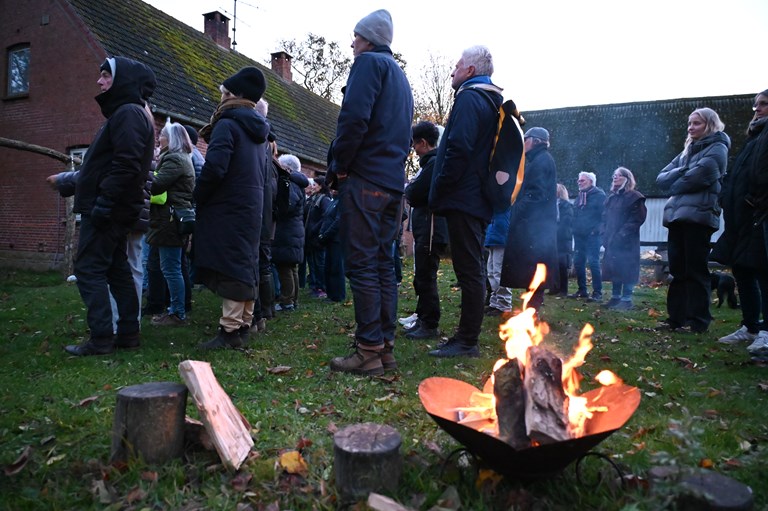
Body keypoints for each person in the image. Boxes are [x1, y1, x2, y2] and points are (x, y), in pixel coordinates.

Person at [325, 9, 413, 375]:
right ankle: (384, 347)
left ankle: (368, 350)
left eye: (357, 37)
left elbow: (354, 119)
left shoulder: (368, 64)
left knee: (362, 264)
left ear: (370, 40)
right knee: (381, 264)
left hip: (365, 180)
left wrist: (340, 165)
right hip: (392, 183)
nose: (352, 43)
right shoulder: (400, 77)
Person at [57, 57, 156, 356]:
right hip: (116, 208)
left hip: (110, 209)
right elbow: (107, 166)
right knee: (116, 270)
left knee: (88, 269)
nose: (99, 82)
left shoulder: (127, 114)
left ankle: (101, 338)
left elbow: (126, 165)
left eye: (105, 76)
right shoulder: (127, 113)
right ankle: (127, 333)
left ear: (123, 79)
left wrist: (104, 203)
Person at [428, 45, 503, 358]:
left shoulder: (471, 98)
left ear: (470, 70)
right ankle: (465, 337)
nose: (452, 71)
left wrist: (441, 187)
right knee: (471, 268)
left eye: (457, 66)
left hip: (464, 197)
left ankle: (467, 341)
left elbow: (458, 148)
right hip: (474, 197)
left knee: (470, 270)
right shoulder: (488, 100)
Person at [194, 66, 269, 349]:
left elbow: (215, 168)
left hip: (227, 206)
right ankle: (242, 325)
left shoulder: (227, 124)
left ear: (233, 95)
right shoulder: (258, 131)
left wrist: (199, 194)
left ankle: (229, 331)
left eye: (224, 93)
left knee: (231, 266)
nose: (221, 98)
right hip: (250, 206)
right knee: (245, 263)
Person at [656, 107, 730, 334]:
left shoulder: (718, 148)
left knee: (696, 271)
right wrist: (685, 170)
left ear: (710, 124)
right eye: (689, 123)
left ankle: (698, 321)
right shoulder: (686, 152)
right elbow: (661, 178)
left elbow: (698, 178)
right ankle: (675, 319)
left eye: (696, 123)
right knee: (677, 271)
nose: (690, 127)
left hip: (699, 218)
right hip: (677, 217)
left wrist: (678, 178)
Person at [711, 90, 768, 349]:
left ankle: (766, 331)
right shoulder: (755, 136)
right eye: (756, 105)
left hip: (758, 214)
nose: (757, 109)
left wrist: (759, 201)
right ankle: (750, 326)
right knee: (742, 269)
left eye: (763, 104)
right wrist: (727, 196)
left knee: (764, 271)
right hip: (740, 218)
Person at [500, 127, 558, 311]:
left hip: (536, 229)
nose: (523, 142)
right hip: (535, 227)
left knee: (535, 270)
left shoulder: (542, 161)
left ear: (536, 141)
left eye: (525, 139)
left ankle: (532, 312)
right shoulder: (538, 160)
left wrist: (515, 211)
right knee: (532, 270)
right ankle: (531, 311)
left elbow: (535, 195)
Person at [146, 122, 195, 326]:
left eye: (162, 135)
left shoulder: (174, 159)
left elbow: (156, 185)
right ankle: (175, 309)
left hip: (169, 220)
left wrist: (143, 169)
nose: (159, 138)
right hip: (171, 218)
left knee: (171, 269)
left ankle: (177, 313)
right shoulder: (181, 157)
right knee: (172, 266)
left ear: (171, 139)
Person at [403, 121, 449, 340]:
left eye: (414, 144)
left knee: (426, 276)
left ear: (423, 142)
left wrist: (411, 189)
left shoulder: (433, 164)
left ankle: (430, 324)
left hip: (431, 229)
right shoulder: (431, 164)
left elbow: (414, 193)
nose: (413, 148)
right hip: (427, 227)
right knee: (421, 276)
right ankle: (422, 319)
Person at [601, 167, 647, 310]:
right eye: (614, 175)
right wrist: (604, 234)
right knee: (615, 269)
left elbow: (637, 219)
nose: (615, 177)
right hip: (612, 241)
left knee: (627, 269)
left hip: (627, 242)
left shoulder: (635, 197)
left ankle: (626, 300)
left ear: (627, 178)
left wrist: (622, 235)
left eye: (619, 175)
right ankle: (615, 298)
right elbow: (604, 218)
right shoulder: (611, 198)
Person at [273, 154, 309, 311]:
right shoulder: (298, 183)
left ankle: (287, 301)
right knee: (291, 268)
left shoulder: (291, 184)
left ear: (287, 168)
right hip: (293, 230)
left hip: (287, 231)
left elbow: (287, 206)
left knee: (285, 268)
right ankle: (293, 300)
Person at [569, 171, 606, 302]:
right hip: (579, 235)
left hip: (593, 236)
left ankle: (597, 292)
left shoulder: (599, 196)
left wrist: (596, 230)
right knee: (578, 262)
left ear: (590, 181)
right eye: (579, 180)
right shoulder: (580, 197)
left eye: (582, 180)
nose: (579, 182)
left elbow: (604, 216)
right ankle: (582, 290)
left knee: (593, 262)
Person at [304, 176, 332, 299]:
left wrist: (315, 229)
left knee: (319, 263)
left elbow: (325, 217)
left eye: (315, 185)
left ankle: (322, 287)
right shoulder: (312, 198)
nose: (312, 187)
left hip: (317, 236)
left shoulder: (324, 200)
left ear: (321, 186)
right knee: (312, 262)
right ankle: (314, 285)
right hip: (310, 237)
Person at [318, 188, 346, 302]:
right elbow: (326, 218)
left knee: (336, 268)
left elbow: (338, 221)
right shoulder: (333, 201)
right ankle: (330, 293)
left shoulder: (342, 202)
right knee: (329, 268)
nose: (333, 189)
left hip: (337, 240)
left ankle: (338, 295)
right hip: (330, 240)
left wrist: (326, 234)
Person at [549, 183, 574, 297]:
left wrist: (557, 231)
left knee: (562, 264)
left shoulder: (566, 205)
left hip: (563, 238)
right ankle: (554, 287)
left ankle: (563, 290)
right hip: (553, 237)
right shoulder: (552, 204)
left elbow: (566, 222)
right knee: (553, 263)